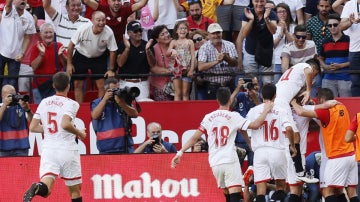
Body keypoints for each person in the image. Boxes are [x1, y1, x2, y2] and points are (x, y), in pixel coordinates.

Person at [171, 86, 274, 202]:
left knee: (228, 196)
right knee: (234, 196)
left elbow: (194, 138)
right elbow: (255, 125)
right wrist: (266, 110)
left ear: (217, 100)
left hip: (215, 162)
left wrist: (180, 152)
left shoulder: (208, 117)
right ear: (230, 100)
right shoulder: (234, 116)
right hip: (229, 159)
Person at [23, 72, 86, 202]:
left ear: (53, 85)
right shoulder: (72, 103)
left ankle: (37, 187)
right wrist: (80, 133)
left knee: (46, 188)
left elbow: (33, 127)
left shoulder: (44, 102)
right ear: (68, 86)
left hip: (48, 150)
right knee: (75, 190)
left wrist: (48, 129)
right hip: (67, 149)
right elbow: (65, 124)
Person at [291, 88, 358, 202]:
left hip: (336, 157)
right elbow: (322, 123)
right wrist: (312, 104)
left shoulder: (326, 111)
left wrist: (292, 102)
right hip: (351, 155)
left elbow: (301, 112)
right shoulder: (342, 107)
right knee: (349, 192)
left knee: (327, 191)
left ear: (322, 99)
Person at [246, 83, 297, 202]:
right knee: (280, 186)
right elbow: (289, 129)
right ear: (275, 96)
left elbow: (243, 128)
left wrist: (249, 142)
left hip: (260, 151)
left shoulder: (254, 111)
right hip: (277, 150)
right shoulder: (280, 110)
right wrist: (293, 146)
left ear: (261, 95)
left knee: (260, 190)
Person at [67, 11, 118, 103]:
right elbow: (71, 45)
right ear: (92, 21)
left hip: (99, 57)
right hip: (81, 55)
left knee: (101, 85)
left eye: (103, 20)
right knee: (78, 84)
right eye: (98, 20)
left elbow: (113, 51)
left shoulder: (109, 32)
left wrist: (111, 69)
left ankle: (100, 107)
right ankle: (79, 107)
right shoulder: (83, 29)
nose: (101, 23)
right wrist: (69, 64)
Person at [91, 77, 139, 154]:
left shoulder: (123, 100)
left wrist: (121, 103)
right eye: (114, 90)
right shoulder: (97, 102)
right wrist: (105, 99)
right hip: (106, 147)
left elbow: (135, 114)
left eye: (118, 89)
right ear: (106, 91)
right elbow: (95, 116)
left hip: (125, 145)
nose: (117, 91)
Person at [0, 0, 36, 90]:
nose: (23, 0)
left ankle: (11, 104)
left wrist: (22, 53)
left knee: (13, 83)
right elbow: (8, 4)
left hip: (16, 56)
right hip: (1, 52)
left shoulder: (29, 17)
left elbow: (28, 37)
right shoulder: (9, 10)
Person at [240, 0, 277, 86]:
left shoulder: (270, 13)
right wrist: (251, 19)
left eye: (262, 1)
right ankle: (251, 99)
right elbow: (244, 33)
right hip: (250, 51)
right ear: (252, 1)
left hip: (267, 51)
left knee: (267, 83)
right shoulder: (247, 13)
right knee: (250, 83)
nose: (259, 4)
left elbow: (273, 31)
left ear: (265, 2)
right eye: (257, 1)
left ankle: (267, 99)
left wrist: (266, 18)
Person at [198, 23, 238, 100]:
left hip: (229, 84)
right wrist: (217, 61)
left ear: (222, 33)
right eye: (213, 33)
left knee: (231, 107)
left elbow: (236, 63)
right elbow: (201, 67)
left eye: (218, 32)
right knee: (213, 108)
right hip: (212, 86)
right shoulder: (204, 48)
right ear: (208, 35)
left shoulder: (230, 45)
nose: (216, 35)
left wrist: (226, 58)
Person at [30, 23, 67, 103]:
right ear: (41, 34)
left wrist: (61, 55)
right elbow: (34, 67)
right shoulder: (36, 47)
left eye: (50, 32)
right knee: (40, 112)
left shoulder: (59, 45)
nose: (48, 35)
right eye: (46, 32)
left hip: (56, 87)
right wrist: (41, 54)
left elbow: (66, 65)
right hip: (39, 86)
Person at [117, 21, 154, 101]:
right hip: (125, 82)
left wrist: (148, 51)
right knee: (125, 109)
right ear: (129, 33)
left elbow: (152, 65)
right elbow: (120, 63)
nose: (139, 33)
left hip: (142, 83)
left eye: (140, 30)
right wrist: (127, 49)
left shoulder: (147, 44)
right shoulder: (122, 45)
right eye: (135, 31)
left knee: (144, 109)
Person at [83, 0, 149, 43]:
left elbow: (142, 4)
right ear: (108, 1)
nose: (117, 3)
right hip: (103, 45)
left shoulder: (125, 10)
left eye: (119, 0)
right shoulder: (102, 8)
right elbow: (86, 1)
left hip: (118, 46)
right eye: (114, 0)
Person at [319, 13, 351, 97]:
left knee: (347, 105)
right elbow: (320, 58)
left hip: (345, 78)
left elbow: (355, 60)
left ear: (340, 24)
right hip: (328, 78)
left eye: (335, 25)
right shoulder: (325, 41)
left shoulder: (349, 39)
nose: (332, 27)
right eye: (330, 25)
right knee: (328, 105)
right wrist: (325, 66)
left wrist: (341, 65)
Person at [166, 20, 195, 101]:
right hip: (176, 70)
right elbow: (167, 53)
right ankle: (177, 111)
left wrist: (192, 69)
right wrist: (172, 51)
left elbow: (193, 56)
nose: (183, 30)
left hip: (187, 70)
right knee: (177, 93)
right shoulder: (174, 42)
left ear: (187, 30)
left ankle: (186, 112)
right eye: (181, 28)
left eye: (185, 28)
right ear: (176, 30)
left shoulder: (190, 42)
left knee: (185, 93)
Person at [0, 85, 32, 156]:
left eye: (14, 95)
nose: (12, 97)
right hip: (3, 147)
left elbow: (32, 121)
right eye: (9, 95)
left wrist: (28, 109)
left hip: (21, 146)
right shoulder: (1, 107)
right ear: (2, 96)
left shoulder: (22, 106)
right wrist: (5, 105)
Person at [339, 0, 360, 96]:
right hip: (355, 50)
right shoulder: (349, 4)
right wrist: (350, 22)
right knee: (355, 82)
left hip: (354, 50)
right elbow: (341, 27)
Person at [149, 25, 174, 101]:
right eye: (162, 34)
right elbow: (153, 68)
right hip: (160, 86)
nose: (166, 35)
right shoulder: (154, 49)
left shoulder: (175, 43)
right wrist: (169, 71)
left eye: (167, 32)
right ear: (157, 39)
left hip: (177, 84)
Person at [272, 3, 295, 83]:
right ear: (276, 13)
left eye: (284, 11)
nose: (282, 14)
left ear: (288, 13)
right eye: (280, 12)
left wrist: (286, 31)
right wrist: (280, 35)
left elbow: (294, 43)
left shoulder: (293, 27)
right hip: (276, 61)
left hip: (291, 61)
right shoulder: (272, 27)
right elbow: (272, 46)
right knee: (276, 84)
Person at [189, 29, 208, 100]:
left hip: (213, 82)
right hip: (201, 85)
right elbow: (192, 69)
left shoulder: (212, 48)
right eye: (194, 41)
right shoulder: (194, 53)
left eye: (199, 39)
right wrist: (196, 77)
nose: (197, 42)